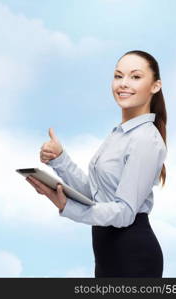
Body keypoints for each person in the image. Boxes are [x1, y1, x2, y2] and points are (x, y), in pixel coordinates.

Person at [26, 50, 168, 278]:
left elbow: (124, 213)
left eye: (135, 76)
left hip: (132, 257)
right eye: (118, 76)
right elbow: (96, 196)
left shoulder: (145, 139)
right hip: (108, 255)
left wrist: (68, 207)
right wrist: (60, 160)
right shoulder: (119, 134)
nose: (123, 84)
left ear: (155, 86)